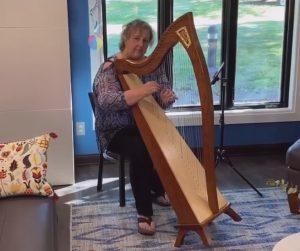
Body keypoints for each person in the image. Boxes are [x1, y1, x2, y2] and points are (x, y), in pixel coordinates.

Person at [93, 19, 177, 236]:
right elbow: (106, 101)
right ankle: (144, 211)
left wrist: (166, 98)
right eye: (136, 38)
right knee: (142, 148)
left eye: (145, 40)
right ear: (125, 39)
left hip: (145, 125)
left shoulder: (151, 65)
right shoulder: (110, 68)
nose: (140, 44)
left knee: (164, 140)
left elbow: (162, 92)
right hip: (115, 131)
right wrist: (142, 91)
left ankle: (156, 188)